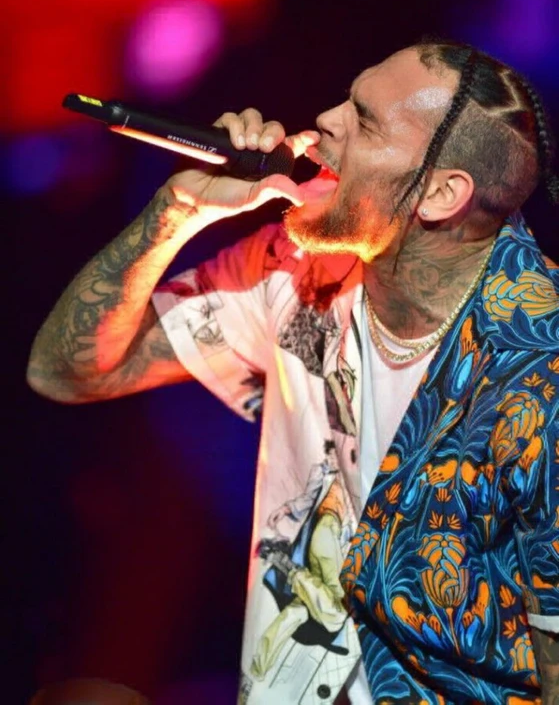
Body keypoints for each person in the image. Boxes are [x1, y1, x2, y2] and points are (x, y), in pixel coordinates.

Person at [27, 41, 559, 704]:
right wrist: (179, 212)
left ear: (439, 193)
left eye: (365, 121)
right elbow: (66, 372)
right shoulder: (291, 272)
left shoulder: (537, 373)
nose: (325, 120)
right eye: (346, 100)